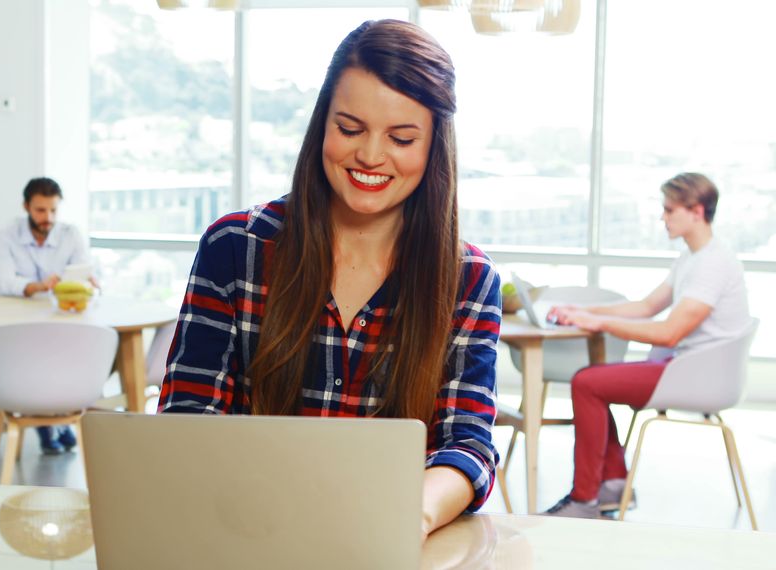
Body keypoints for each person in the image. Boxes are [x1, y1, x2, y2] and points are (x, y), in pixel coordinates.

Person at [157, 19, 501, 540]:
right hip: (245, 533)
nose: (369, 156)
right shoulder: (235, 247)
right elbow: (188, 414)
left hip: (386, 544)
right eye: (350, 128)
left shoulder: (469, 280)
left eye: (401, 138)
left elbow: (467, 445)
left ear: (433, 147)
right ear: (323, 125)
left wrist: (414, 513)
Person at [543, 172, 751, 518]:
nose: (663, 217)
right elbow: (646, 307)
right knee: (591, 381)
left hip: (697, 375)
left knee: (587, 382)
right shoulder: (692, 257)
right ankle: (611, 485)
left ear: (696, 211)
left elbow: (669, 332)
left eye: (670, 210)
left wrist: (600, 322)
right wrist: (584, 311)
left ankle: (585, 499)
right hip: (686, 367)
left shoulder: (713, 263)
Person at [0, 176, 89, 454]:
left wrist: (87, 279)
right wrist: (37, 286)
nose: (48, 218)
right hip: (20, 323)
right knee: (36, 355)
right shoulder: (6, 236)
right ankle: (51, 424)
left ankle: (59, 420)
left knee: (68, 354)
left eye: (53, 210)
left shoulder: (70, 234)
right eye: (40, 210)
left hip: (62, 320)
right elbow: (3, 283)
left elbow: (83, 271)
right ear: (26, 207)